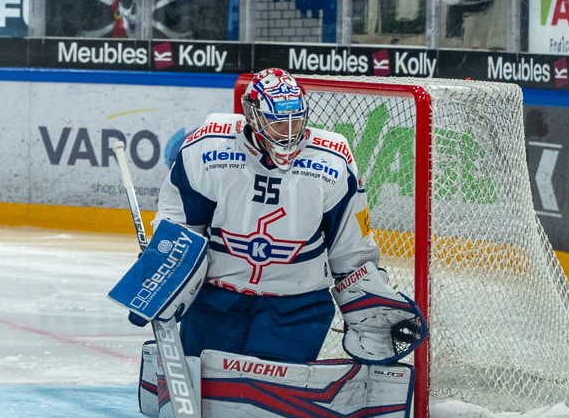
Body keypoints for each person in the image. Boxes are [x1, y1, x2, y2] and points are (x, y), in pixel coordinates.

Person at [152, 69, 424, 372]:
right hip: (218, 300)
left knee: (273, 394)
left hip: (297, 306)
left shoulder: (333, 159)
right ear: (253, 117)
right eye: (279, 122)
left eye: (296, 120)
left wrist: (370, 297)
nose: (290, 131)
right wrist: (164, 260)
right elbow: (181, 218)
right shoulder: (208, 146)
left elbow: (350, 243)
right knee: (207, 383)